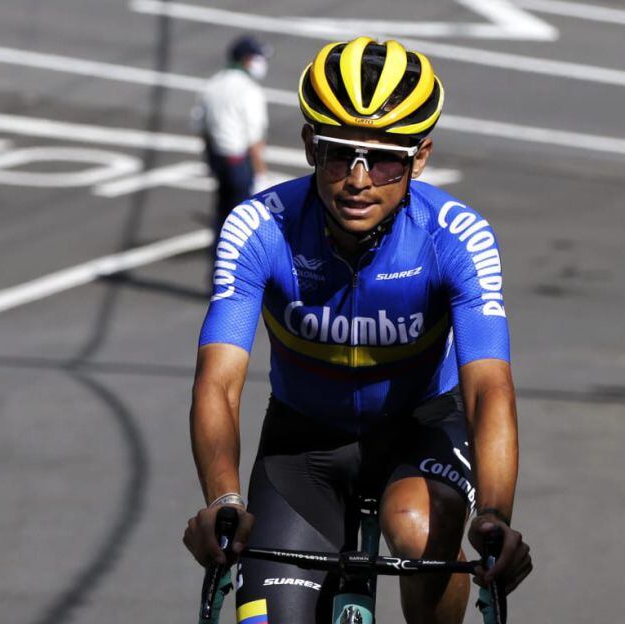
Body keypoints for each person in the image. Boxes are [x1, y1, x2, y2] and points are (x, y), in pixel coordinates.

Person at [183, 37, 532, 623]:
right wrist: (222, 498)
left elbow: (487, 389)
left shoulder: (458, 238)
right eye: (340, 154)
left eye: (386, 159)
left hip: (421, 432)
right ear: (308, 146)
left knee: (420, 528)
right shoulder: (258, 228)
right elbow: (218, 383)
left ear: (419, 158)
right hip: (304, 447)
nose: (359, 180)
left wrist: (495, 514)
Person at [193, 35, 271, 240]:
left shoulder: (213, 83)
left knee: (222, 218)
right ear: (247, 59)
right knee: (243, 226)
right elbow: (254, 140)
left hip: (219, 160)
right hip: (239, 163)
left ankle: (217, 267)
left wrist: (211, 160)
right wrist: (261, 175)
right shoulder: (249, 89)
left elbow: (200, 125)